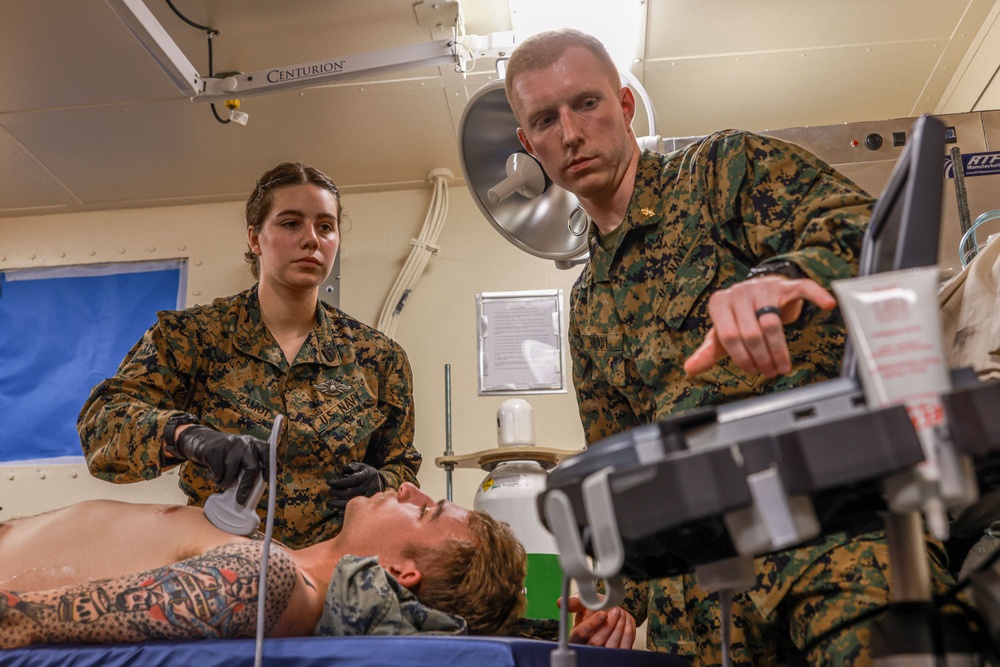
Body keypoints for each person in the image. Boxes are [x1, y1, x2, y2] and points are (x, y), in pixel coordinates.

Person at [503, 28, 957, 666]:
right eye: (545, 120)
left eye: (587, 104)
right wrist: (617, 598)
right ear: (529, 144)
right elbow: (622, 469)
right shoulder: (587, 307)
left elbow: (864, 225)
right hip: (697, 617)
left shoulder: (721, 173)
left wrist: (784, 280)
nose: (571, 133)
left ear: (625, 105)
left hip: (834, 552)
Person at [77, 162, 421, 548]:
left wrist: (383, 483)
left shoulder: (377, 357)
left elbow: (402, 466)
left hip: (335, 573)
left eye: (325, 226)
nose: (312, 239)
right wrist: (188, 436)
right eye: (291, 223)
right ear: (255, 239)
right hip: (221, 564)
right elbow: (102, 422)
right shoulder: (195, 337)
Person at [0, 483, 525, 648]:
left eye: (424, 510)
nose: (409, 488)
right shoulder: (280, 557)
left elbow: (17, 621)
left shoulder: (273, 579)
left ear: (401, 572)